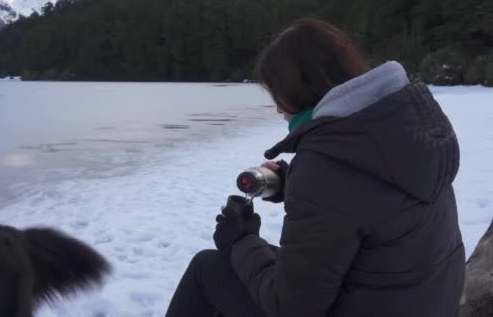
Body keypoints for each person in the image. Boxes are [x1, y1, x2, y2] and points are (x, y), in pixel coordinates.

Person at [165, 18, 465, 317]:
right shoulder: (404, 128)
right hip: (422, 302)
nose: (278, 108)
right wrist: (292, 181)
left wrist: (240, 241)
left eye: (277, 93)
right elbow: (369, 197)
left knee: (207, 268)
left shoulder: (326, 169)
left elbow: (290, 309)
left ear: (298, 89)